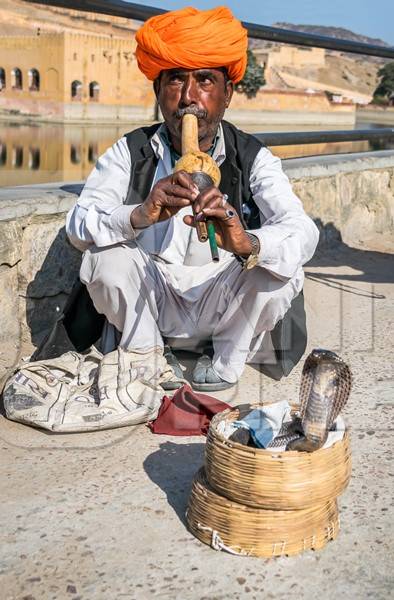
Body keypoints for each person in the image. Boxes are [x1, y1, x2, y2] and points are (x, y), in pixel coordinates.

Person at [66, 6, 319, 392]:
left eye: (204, 81)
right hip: (153, 299)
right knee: (103, 256)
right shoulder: (130, 151)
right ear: (158, 90)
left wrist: (247, 241)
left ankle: (225, 363)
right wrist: (140, 214)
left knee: (282, 266)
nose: (189, 97)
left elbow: (303, 232)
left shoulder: (253, 157)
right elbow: (78, 225)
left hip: (223, 303)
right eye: (175, 81)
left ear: (227, 93)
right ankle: (147, 355)